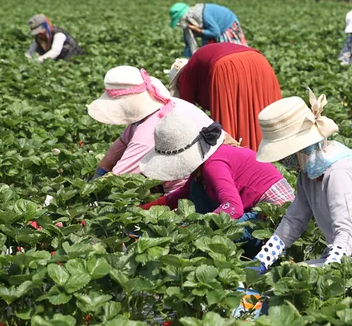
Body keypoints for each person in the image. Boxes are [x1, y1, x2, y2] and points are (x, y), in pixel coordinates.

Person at [248, 91, 352, 271]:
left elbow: (346, 232)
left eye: (284, 155)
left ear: (300, 148)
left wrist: (328, 272)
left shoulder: (338, 172)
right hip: (347, 255)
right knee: (285, 276)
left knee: (294, 279)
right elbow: (294, 221)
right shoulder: (308, 172)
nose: (282, 161)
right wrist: (262, 260)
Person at [87, 66, 238, 192]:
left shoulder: (150, 128)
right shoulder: (159, 105)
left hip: (212, 174)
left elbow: (121, 177)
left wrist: (90, 192)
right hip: (215, 161)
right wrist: (100, 171)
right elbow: (120, 145)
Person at [138, 108, 294, 226]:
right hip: (255, 206)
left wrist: (195, 226)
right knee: (196, 189)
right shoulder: (204, 162)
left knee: (221, 234)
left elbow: (233, 208)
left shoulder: (213, 165)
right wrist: (143, 210)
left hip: (277, 213)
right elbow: (184, 192)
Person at [168, 43, 282, 152]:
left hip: (227, 66)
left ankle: (242, 154)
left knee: (234, 116)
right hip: (258, 61)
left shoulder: (185, 76)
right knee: (260, 106)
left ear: (179, 79)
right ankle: (274, 150)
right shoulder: (200, 65)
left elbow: (187, 111)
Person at [169, 2, 247, 58]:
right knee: (207, 52)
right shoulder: (190, 21)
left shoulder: (204, 15)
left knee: (229, 53)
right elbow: (188, 44)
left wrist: (199, 31)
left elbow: (215, 33)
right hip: (215, 29)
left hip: (227, 24)